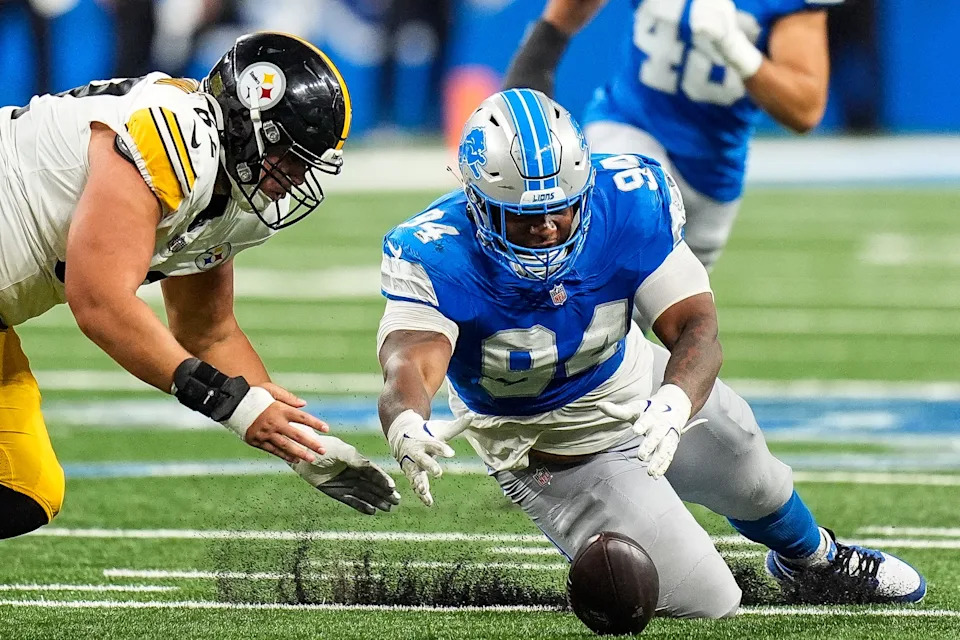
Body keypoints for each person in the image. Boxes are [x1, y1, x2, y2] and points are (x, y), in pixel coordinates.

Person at [375, 88, 925, 617]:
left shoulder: (628, 200)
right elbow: (410, 361)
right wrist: (407, 421)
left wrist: (675, 402)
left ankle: (816, 561)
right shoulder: (435, 250)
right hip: (551, 449)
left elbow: (697, 328)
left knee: (749, 462)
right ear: (479, 202)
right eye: (523, 216)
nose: (545, 229)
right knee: (712, 601)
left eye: (560, 210)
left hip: (631, 383)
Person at [0, 31, 400, 539]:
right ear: (248, 123)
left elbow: (207, 332)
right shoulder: (172, 132)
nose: (297, 178)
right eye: (290, 157)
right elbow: (98, 301)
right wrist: (233, 406)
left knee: (24, 490)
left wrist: (300, 446)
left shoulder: (227, 190)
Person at [503, 0, 837, 269]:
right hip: (629, 125)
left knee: (672, 322)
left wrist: (735, 48)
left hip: (713, 171)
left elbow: (805, 109)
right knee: (605, 283)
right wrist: (535, 61)